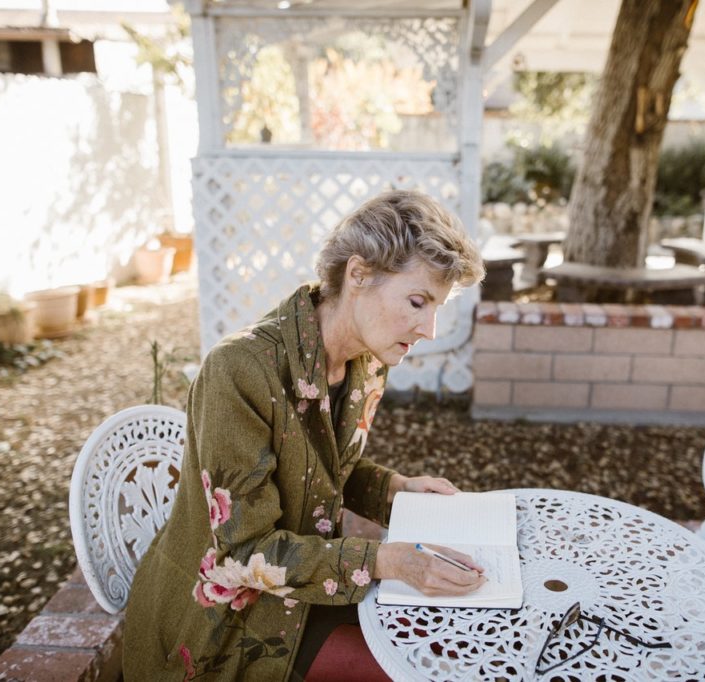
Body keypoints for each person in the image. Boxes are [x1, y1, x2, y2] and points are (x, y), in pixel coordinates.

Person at [123, 190, 487, 680]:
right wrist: (387, 560)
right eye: (418, 302)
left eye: (436, 307)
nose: (430, 329)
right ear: (357, 275)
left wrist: (396, 489)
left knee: (448, 639)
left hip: (310, 588)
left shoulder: (367, 362)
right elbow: (245, 551)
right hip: (226, 625)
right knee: (415, 669)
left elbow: (325, 472)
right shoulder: (240, 371)